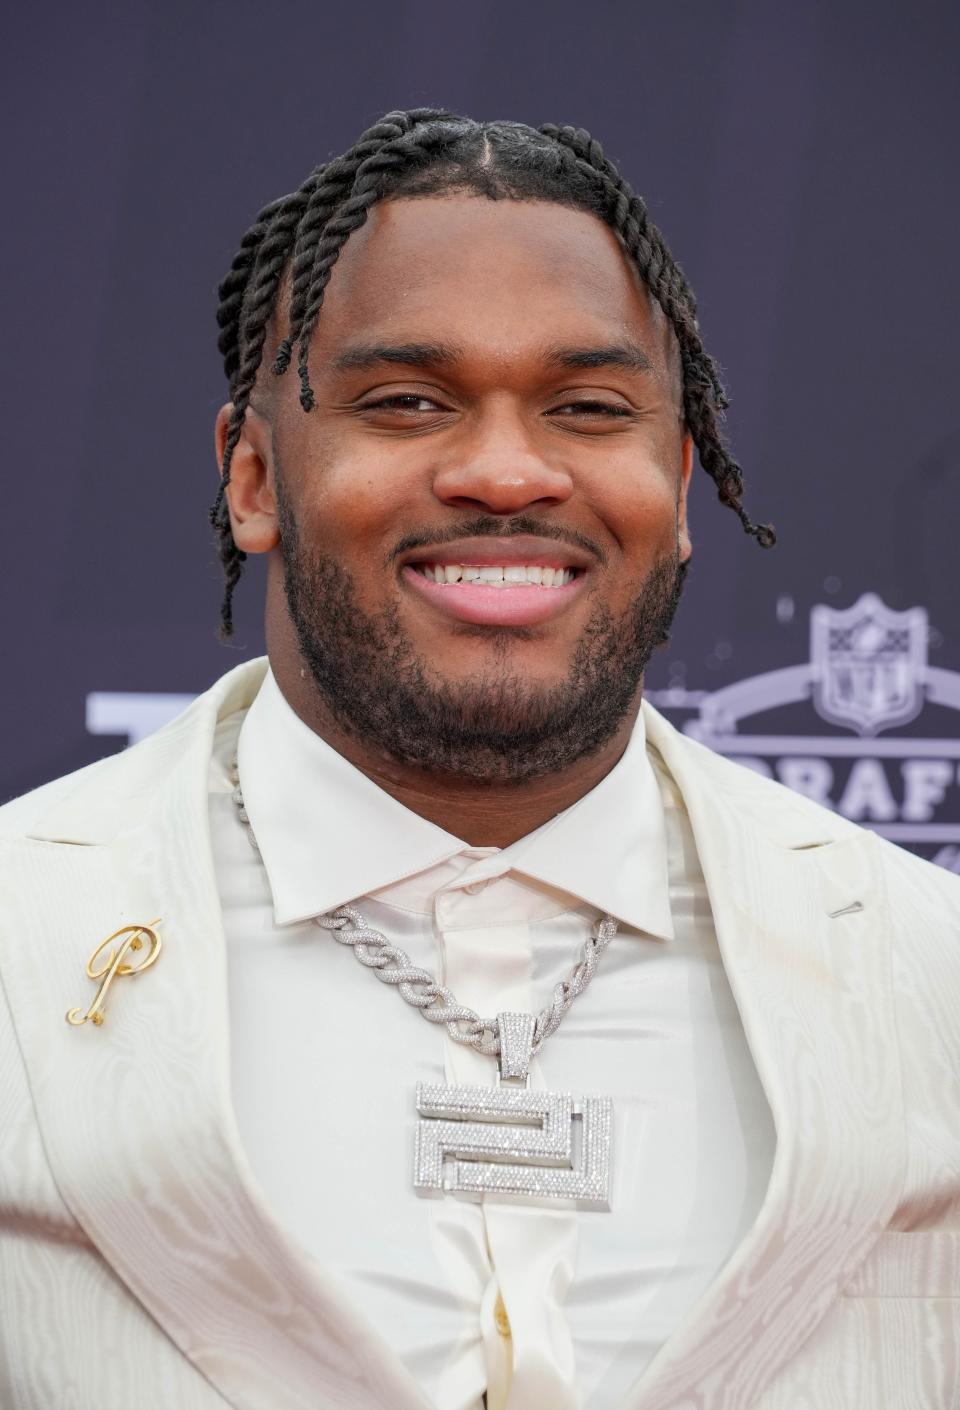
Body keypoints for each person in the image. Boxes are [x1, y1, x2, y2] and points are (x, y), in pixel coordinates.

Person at [1, 109, 957, 1410]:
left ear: (678, 488)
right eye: (406, 402)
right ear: (253, 477)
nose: (507, 470)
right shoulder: (20, 929)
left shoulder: (929, 966)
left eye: (587, 406)